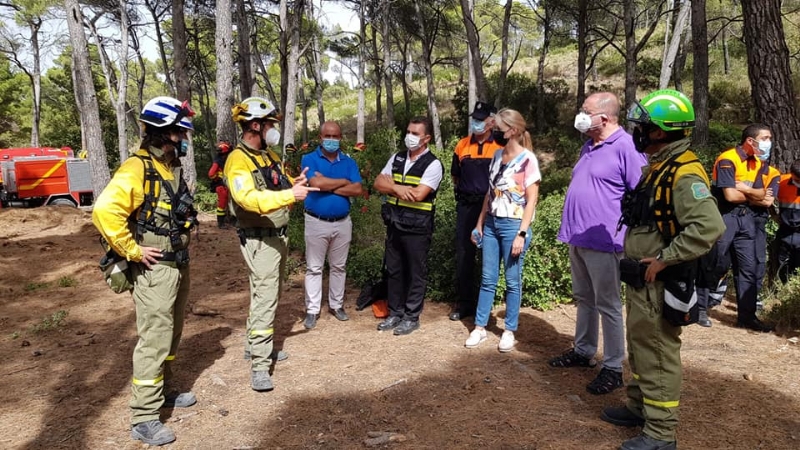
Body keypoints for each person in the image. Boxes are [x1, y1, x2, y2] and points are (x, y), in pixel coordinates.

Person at [601, 89, 724, 450]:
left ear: (659, 132)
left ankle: (661, 433)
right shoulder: (659, 166)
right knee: (640, 346)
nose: (636, 130)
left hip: (660, 281)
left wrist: (665, 259)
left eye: (643, 125)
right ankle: (639, 407)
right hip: (642, 281)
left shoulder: (684, 174)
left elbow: (709, 227)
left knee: (657, 351)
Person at [93, 96, 199, 446]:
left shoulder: (167, 167)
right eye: (180, 131)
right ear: (164, 132)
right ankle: (143, 418)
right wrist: (132, 250)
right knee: (154, 339)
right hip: (154, 270)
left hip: (175, 264)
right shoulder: (136, 168)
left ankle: (165, 391)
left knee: (171, 334)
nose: (184, 137)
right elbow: (104, 212)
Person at [549, 92, 647, 394]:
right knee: (585, 299)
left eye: (585, 111)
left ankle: (614, 366)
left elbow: (641, 195)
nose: (580, 115)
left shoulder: (627, 147)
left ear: (603, 118)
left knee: (609, 305)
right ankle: (583, 350)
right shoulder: (589, 145)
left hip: (606, 242)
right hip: (578, 237)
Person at [225, 96, 318, 391]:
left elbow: (279, 182)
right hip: (259, 241)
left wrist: (296, 183)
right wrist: (290, 196)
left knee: (265, 295)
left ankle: (255, 347)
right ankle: (260, 366)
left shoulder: (269, 156)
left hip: (277, 238)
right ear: (255, 125)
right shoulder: (237, 161)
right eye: (269, 125)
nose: (273, 130)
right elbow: (247, 199)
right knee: (265, 300)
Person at [464, 108, 540, 353]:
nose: (494, 131)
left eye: (498, 127)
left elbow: (532, 200)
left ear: (513, 131)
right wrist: (479, 223)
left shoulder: (528, 160)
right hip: (493, 224)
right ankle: (479, 327)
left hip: (513, 226)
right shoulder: (497, 156)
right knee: (487, 278)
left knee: (512, 281)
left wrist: (522, 233)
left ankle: (509, 330)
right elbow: (490, 193)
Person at [373, 116, 443, 336]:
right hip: (394, 224)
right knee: (394, 270)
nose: (410, 137)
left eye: (415, 133)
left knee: (415, 272)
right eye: (408, 131)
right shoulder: (397, 158)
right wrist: (400, 189)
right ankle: (395, 312)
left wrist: (392, 185)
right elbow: (377, 182)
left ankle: (411, 316)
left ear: (427, 138)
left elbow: (419, 194)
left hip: (417, 228)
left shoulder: (433, 164)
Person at [700, 124, 772, 331]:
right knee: (715, 263)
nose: (769, 142)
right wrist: (752, 193)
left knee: (748, 268)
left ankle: (747, 317)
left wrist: (744, 188)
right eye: (765, 138)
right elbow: (730, 196)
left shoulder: (757, 162)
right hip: (724, 218)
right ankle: (700, 309)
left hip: (746, 218)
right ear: (751, 141)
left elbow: (763, 195)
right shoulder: (727, 159)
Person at [300, 121, 363, 329]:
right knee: (314, 267)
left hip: (343, 223)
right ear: (320, 138)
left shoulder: (348, 161)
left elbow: (357, 190)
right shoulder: (309, 159)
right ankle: (312, 310)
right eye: (328, 136)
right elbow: (316, 184)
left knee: (339, 266)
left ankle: (336, 305)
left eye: (335, 136)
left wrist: (328, 184)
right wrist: (344, 182)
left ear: (341, 138)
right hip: (316, 221)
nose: (332, 140)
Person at [449, 101, 502, 321]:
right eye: (475, 118)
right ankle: (465, 303)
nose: (476, 122)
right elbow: (455, 175)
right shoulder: (462, 145)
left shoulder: (500, 145)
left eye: (481, 119)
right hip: (467, 206)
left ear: (491, 121)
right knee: (464, 256)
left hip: (492, 208)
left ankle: (488, 304)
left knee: (490, 256)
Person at [752, 141, 780, 308]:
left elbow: (768, 201)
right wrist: (757, 195)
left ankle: (754, 296)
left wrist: (744, 192)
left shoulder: (772, 173)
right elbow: (730, 194)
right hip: (734, 217)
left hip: (758, 219)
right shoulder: (738, 167)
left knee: (759, 259)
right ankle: (714, 293)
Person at [775, 160, 800, 282]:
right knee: (781, 264)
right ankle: (781, 290)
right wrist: (774, 215)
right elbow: (766, 197)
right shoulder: (781, 182)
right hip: (785, 231)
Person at [208, 141, 232, 228]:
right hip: (221, 186)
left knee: (225, 204)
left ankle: (226, 220)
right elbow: (211, 174)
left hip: (225, 185)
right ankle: (221, 223)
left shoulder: (224, 159)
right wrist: (218, 179)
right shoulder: (218, 161)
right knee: (222, 204)